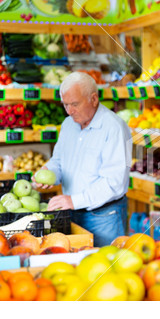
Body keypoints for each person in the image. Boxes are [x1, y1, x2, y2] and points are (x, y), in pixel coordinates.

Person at [33, 72, 132, 246]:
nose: (70, 111)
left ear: (93, 99)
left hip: (104, 217)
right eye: (65, 105)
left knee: (106, 267)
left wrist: (73, 200)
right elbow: (58, 161)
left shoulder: (114, 128)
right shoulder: (68, 125)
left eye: (75, 104)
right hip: (71, 212)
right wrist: (49, 172)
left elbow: (114, 181)